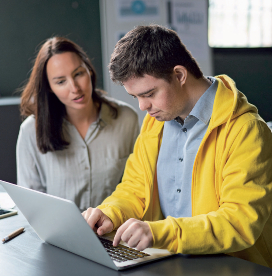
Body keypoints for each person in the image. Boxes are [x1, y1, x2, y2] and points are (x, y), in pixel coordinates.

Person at [83, 25, 272, 268]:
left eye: (149, 93)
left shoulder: (246, 130)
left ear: (180, 75)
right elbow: (135, 188)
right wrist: (110, 212)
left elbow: (238, 222)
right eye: (136, 97)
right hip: (171, 262)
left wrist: (161, 233)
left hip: (233, 268)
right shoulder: (156, 122)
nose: (142, 107)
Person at [17, 37, 139, 211]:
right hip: (59, 235)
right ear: (49, 87)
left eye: (78, 74)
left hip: (115, 232)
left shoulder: (126, 118)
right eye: (61, 81)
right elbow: (30, 203)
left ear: (89, 70)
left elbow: (136, 187)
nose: (74, 88)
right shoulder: (31, 130)